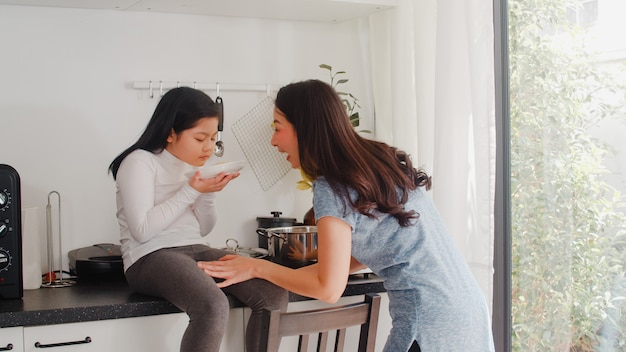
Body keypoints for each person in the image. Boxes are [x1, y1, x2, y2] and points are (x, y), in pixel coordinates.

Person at [198, 80, 495, 352]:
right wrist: (310, 272)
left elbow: (328, 289)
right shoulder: (381, 159)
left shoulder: (331, 187)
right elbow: (386, 243)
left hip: (428, 326)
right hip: (468, 313)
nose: (274, 142)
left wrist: (256, 268)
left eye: (277, 127)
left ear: (304, 127)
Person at [108, 87, 288, 352]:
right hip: (148, 257)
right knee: (212, 305)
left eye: (213, 138)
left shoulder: (191, 165)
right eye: (200, 137)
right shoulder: (139, 162)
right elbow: (142, 230)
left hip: (193, 250)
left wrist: (208, 194)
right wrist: (192, 190)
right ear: (171, 132)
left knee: (273, 294)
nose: (209, 147)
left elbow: (203, 229)